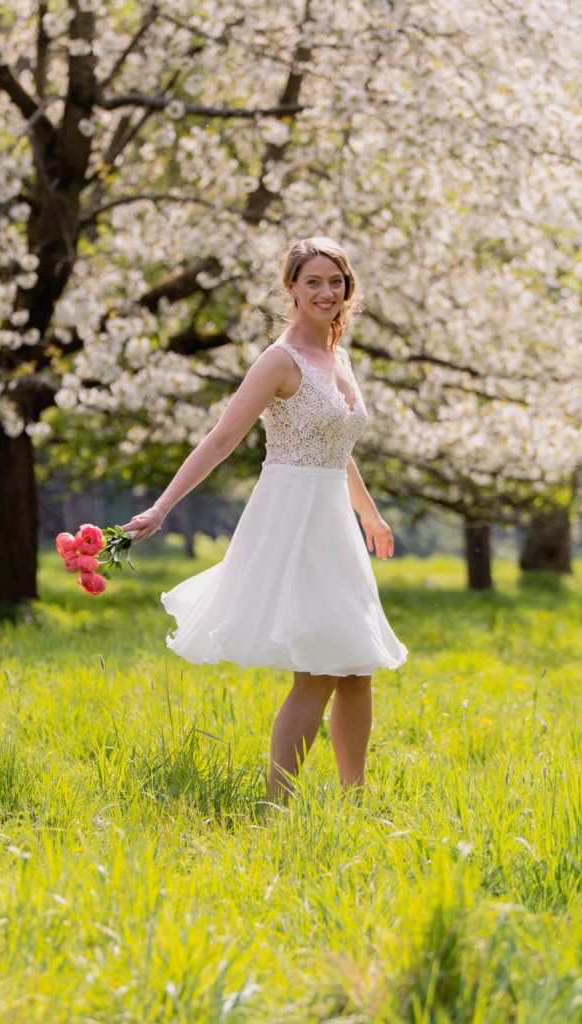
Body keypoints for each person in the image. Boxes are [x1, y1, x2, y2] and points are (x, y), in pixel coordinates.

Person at [123, 237, 407, 800]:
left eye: (336, 282)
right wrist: (161, 506)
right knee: (320, 668)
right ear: (292, 289)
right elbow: (223, 437)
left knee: (355, 665)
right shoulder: (280, 360)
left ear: (347, 288)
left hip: (334, 523)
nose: (327, 292)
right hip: (293, 519)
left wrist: (370, 516)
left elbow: (335, 445)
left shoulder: (339, 357)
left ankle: (355, 801)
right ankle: (277, 805)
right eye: (313, 282)